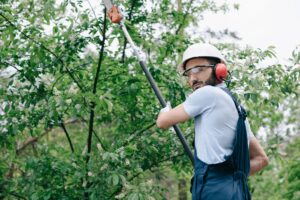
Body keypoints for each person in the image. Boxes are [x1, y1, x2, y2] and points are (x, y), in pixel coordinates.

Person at [156, 43, 269, 200]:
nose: (193, 79)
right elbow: (262, 159)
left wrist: (165, 110)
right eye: (188, 74)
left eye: (198, 70)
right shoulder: (238, 109)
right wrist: (230, 177)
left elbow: (162, 122)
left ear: (219, 70)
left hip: (213, 192)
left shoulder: (207, 93)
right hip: (238, 193)